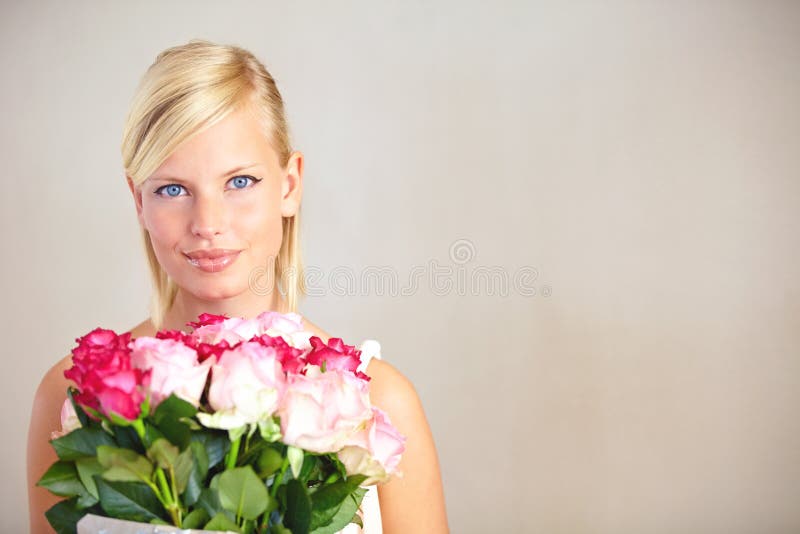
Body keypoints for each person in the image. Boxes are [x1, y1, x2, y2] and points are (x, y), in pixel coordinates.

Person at [26, 39, 449, 533]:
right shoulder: (73, 396)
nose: (208, 222)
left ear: (289, 185)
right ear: (138, 200)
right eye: (173, 189)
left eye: (240, 182)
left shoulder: (381, 406)